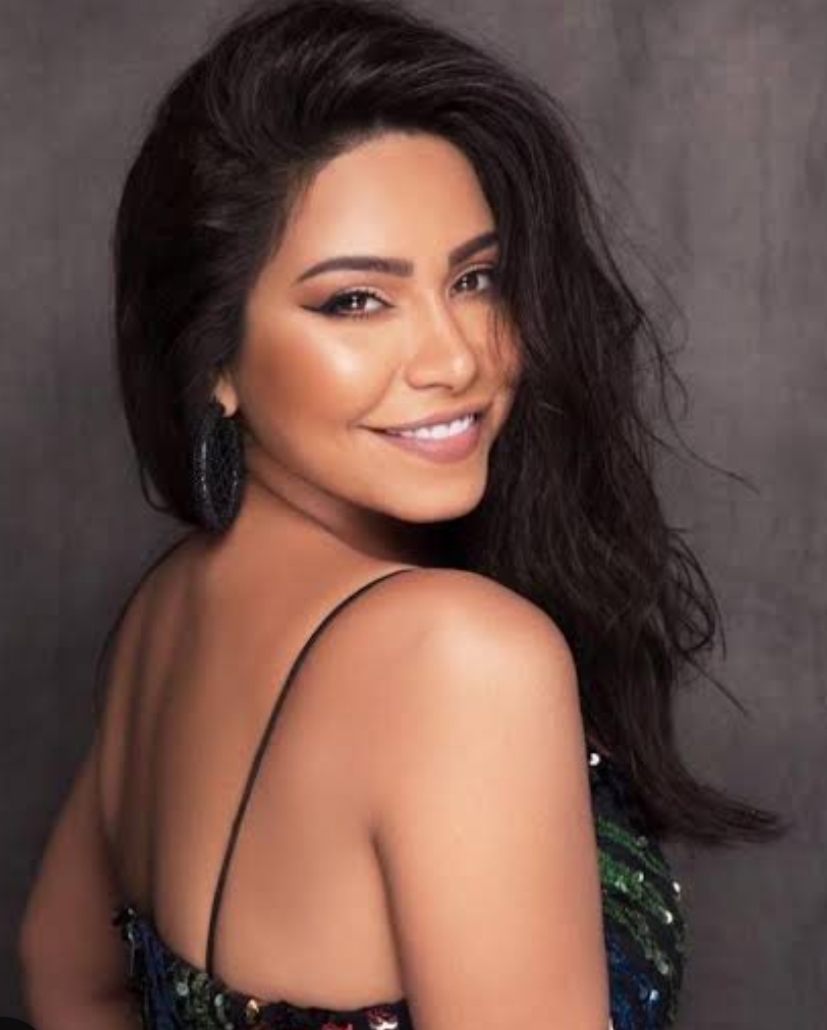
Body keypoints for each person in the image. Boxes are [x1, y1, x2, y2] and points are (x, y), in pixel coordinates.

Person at [18, 0, 786, 1027]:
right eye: (355, 301)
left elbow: (61, 968)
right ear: (213, 361)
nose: (456, 357)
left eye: (474, 279)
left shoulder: (169, 606)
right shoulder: (460, 659)